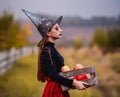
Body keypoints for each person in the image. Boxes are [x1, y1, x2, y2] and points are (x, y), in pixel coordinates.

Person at [22, 9, 88, 97]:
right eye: (56, 28)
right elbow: (53, 75)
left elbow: (59, 72)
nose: (61, 30)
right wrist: (74, 82)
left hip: (59, 87)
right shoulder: (47, 51)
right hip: (54, 90)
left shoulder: (51, 49)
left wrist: (74, 79)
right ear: (48, 33)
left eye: (59, 28)